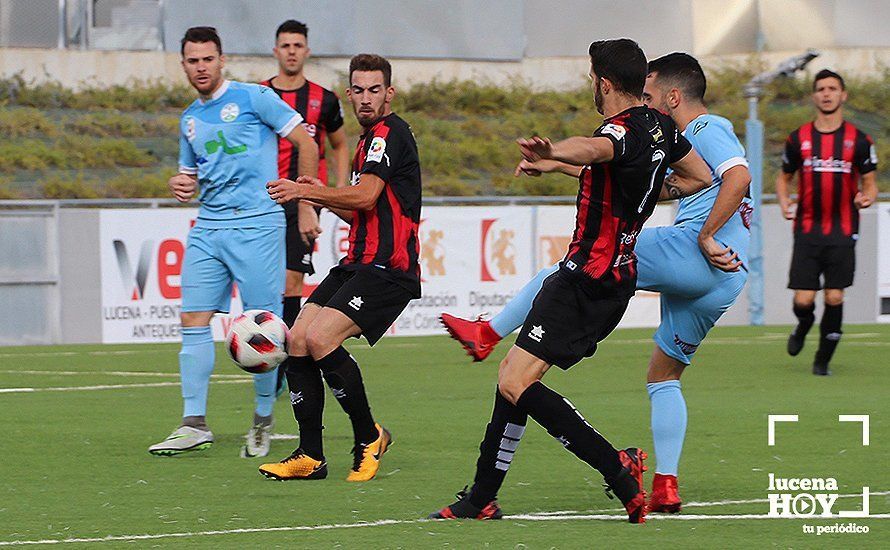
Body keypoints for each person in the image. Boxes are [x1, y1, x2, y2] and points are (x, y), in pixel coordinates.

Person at [440, 52, 753, 513]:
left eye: (653, 96)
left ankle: (614, 464)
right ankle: (661, 482)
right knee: (656, 378)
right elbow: (679, 174)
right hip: (715, 279)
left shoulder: (694, 127)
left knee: (522, 367)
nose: (649, 103)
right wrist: (560, 164)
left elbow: (602, 149)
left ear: (604, 83)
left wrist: (705, 235)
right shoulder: (662, 132)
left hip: (620, 269)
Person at [148, 27, 319, 458]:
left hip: (258, 225)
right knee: (192, 319)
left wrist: (304, 201)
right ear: (183, 65)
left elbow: (306, 141)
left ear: (221, 60)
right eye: (192, 60)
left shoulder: (252, 98)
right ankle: (194, 423)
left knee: (263, 326)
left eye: (208, 59)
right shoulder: (188, 118)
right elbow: (190, 173)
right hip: (209, 227)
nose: (201, 67)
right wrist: (182, 183)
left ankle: (263, 417)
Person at [259, 54, 422, 482]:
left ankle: (369, 436)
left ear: (390, 93)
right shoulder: (367, 141)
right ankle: (310, 456)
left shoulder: (390, 133)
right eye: (359, 90)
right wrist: (321, 194)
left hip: (389, 267)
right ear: (349, 93)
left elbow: (366, 197)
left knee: (320, 336)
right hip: (357, 263)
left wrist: (304, 189)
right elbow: (363, 213)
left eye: (375, 90)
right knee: (297, 339)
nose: (366, 98)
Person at [776, 69, 878, 376]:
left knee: (834, 295)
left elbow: (870, 182)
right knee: (803, 299)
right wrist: (783, 200)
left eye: (833, 88)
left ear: (842, 95)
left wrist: (868, 196)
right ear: (814, 96)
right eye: (821, 88)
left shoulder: (859, 140)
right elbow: (784, 177)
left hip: (843, 229)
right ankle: (804, 323)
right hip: (807, 229)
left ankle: (822, 360)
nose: (827, 93)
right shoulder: (798, 139)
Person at [260, 19, 350, 330]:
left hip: (304, 201)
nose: (291, 52)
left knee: (291, 279)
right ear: (276, 51)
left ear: (307, 51)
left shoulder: (324, 99)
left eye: (297, 46)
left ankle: (285, 364)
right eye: (285, 46)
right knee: (266, 280)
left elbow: (339, 145)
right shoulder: (260, 95)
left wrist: (338, 190)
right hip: (264, 199)